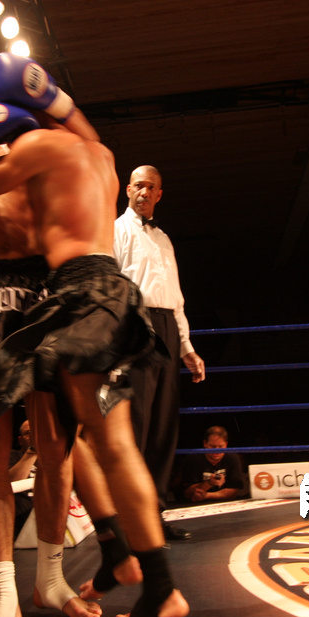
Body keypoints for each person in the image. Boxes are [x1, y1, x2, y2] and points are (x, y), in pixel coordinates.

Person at [0, 53, 189, 617]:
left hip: (69, 294)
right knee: (66, 438)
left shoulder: (32, 150)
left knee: (94, 442)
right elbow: (77, 132)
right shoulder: (95, 152)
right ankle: (118, 556)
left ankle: (144, 578)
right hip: (71, 295)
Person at [113, 165, 205, 541]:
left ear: (159, 194)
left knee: (164, 426)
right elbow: (111, 287)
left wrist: (187, 347)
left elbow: (176, 299)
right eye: (139, 185)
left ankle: (154, 515)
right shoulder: (117, 230)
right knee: (136, 424)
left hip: (167, 325)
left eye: (151, 187)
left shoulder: (164, 239)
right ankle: (129, 520)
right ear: (128, 190)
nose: (144, 192)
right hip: (135, 325)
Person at [179, 426, 245, 503]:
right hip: (195, 504)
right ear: (205, 443)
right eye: (213, 446)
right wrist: (209, 483)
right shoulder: (193, 459)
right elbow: (187, 493)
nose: (216, 450)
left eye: (221, 446)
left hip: (225, 503)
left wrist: (207, 495)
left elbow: (233, 492)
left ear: (226, 445)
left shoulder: (232, 458)